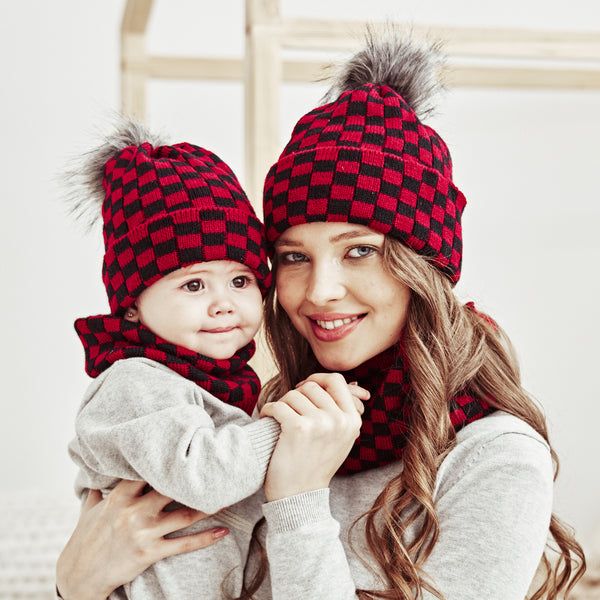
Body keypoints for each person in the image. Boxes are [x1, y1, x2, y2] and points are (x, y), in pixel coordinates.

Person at [56, 31, 586, 600]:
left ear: (423, 263)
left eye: (359, 250)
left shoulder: (494, 457)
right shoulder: (268, 411)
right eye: (293, 257)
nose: (321, 291)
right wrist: (77, 583)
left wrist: (298, 503)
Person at [64, 122, 368, 599]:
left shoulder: (216, 381)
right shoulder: (134, 381)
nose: (223, 303)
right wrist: (292, 422)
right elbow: (205, 478)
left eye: (241, 281)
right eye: (193, 285)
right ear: (131, 305)